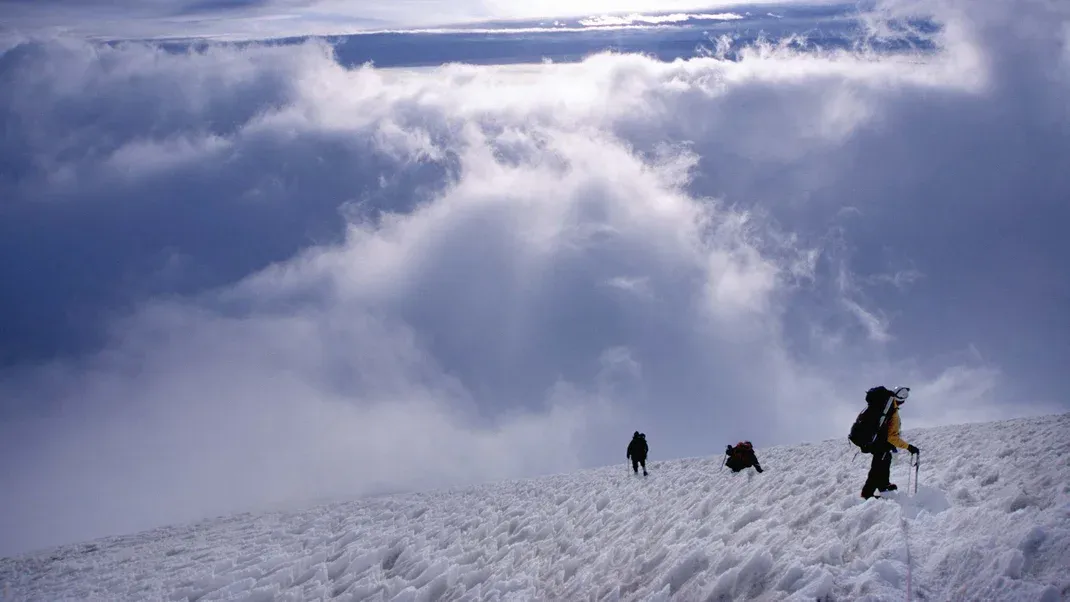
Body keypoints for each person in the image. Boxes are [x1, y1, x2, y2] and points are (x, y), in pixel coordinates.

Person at [861, 387, 920, 499]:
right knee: (877, 468)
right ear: (902, 400)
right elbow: (891, 437)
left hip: (878, 443)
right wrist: (908, 447)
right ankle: (867, 494)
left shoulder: (887, 406)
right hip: (880, 444)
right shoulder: (892, 411)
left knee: (885, 461)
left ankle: (884, 485)